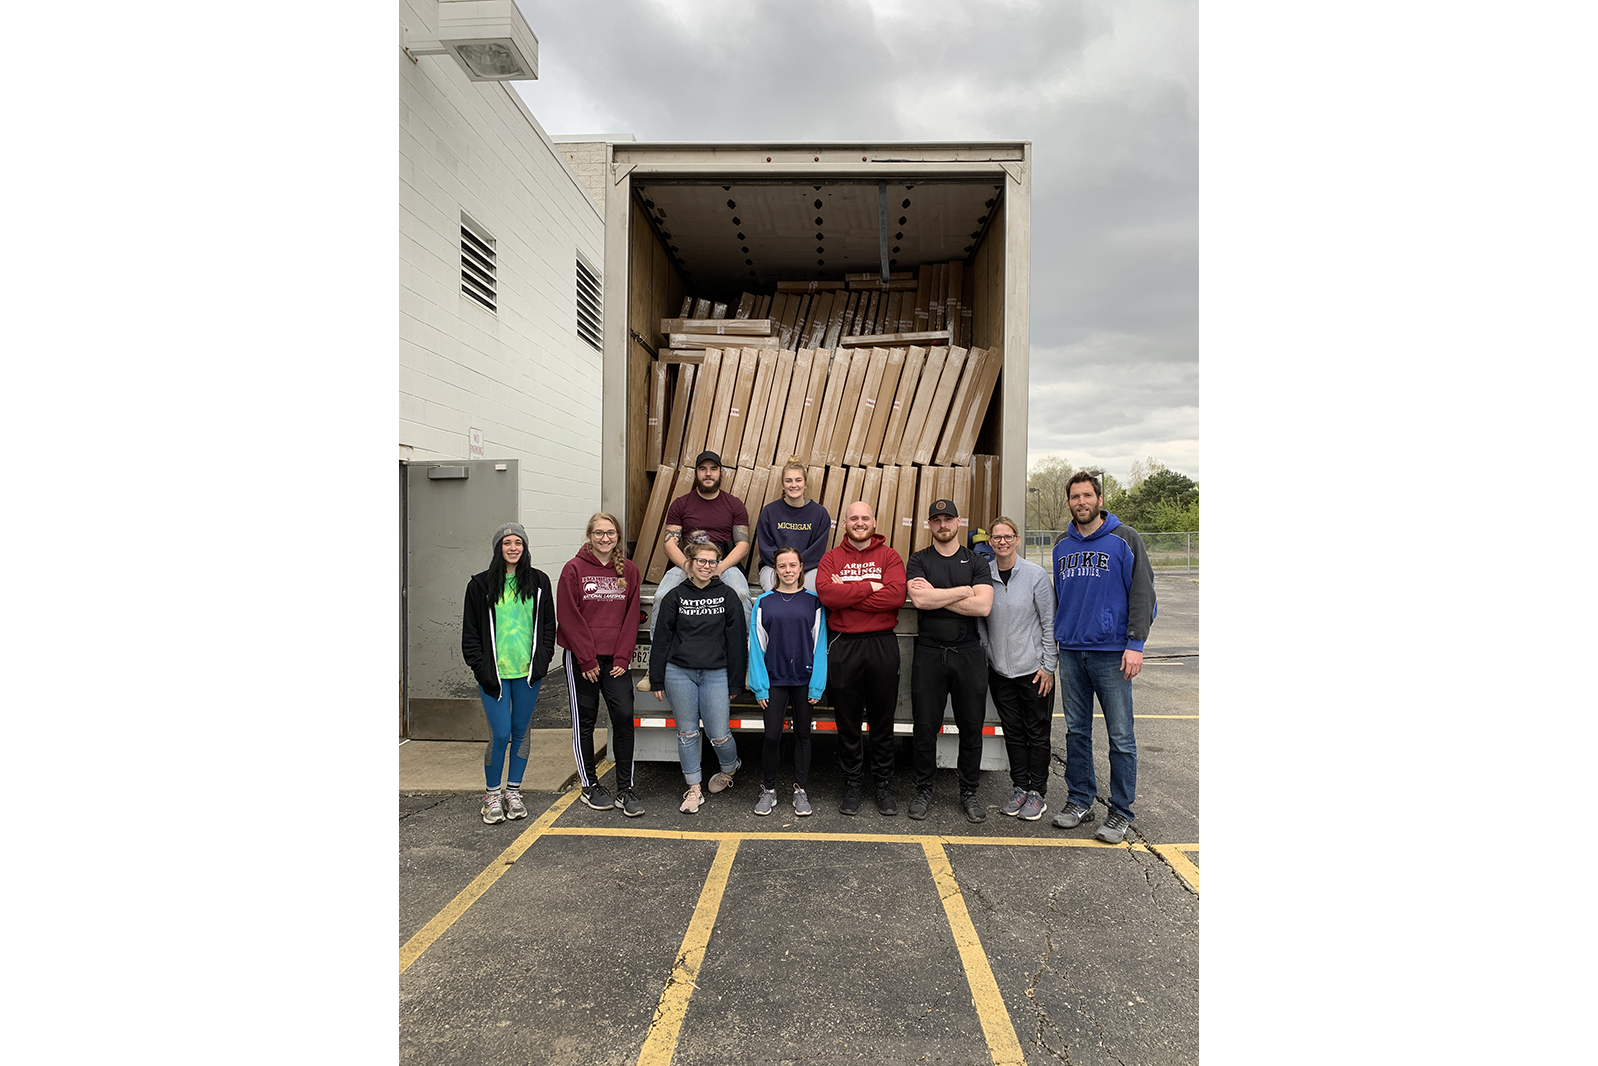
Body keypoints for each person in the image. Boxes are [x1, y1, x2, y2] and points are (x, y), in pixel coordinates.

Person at [1048, 471, 1157, 844]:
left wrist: (1135, 644)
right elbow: (1061, 597)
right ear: (1068, 502)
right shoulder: (1061, 545)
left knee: (1121, 737)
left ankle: (1121, 812)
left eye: (1087, 496)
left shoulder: (1125, 539)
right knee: (1076, 732)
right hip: (1072, 653)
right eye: (1075, 497)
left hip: (1112, 654)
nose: (1081, 502)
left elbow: (1144, 595)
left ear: (1098, 499)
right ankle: (1080, 800)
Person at [460, 522, 556, 825]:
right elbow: (471, 632)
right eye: (507, 543)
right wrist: (480, 666)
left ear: (525, 547)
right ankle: (492, 795)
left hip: (527, 673)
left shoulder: (539, 582)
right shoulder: (479, 585)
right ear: (497, 548)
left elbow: (548, 627)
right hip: (495, 675)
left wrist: (542, 660)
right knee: (500, 734)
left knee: (521, 732)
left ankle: (513, 792)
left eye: (518, 542)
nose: (513, 548)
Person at [816, 500, 907, 817]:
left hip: (882, 644)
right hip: (844, 645)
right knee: (848, 723)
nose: (859, 522)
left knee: (883, 722)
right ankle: (852, 784)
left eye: (864, 518)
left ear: (874, 522)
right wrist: (870, 585)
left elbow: (895, 595)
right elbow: (828, 595)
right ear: (844, 523)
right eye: (853, 518)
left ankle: (883, 786)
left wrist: (849, 596)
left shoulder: (889, 555)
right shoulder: (831, 558)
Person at [905, 499, 994, 823]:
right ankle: (923, 789)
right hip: (929, 653)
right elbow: (919, 599)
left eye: (948, 519)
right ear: (929, 524)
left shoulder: (976, 561)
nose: (942, 525)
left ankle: (969, 792)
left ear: (959, 521)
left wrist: (939, 596)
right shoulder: (919, 560)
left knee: (971, 727)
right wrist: (963, 591)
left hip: (968, 654)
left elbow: (983, 607)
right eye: (936, 520)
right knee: (925, 727)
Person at [649, 535, 748, 814]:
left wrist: (735, 680)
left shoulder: (728, 596)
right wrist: (657, 677)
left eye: (712, 561)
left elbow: (737, 641)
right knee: (687, 733)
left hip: (716, 673)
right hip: (679, 672)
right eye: (701, 561)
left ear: (718, 565)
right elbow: (662, 640)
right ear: (689, 563)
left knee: (719, 734)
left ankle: (730, 768)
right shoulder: (674, 596)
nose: (706, 566)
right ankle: (694, 788)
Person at [557, 512, 645, 817]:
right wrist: (586, 658)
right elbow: (568, 617)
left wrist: (622, 657)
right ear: (589, 536)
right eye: (598, 533)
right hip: (583, 660)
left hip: (615, 661)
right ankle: (590, 785)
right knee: (586, 721)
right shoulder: (573, 569)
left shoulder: (630, 571)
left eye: (610, 533)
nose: (605, 538)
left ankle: (625, 789)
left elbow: (631, 617)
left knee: (623, 717)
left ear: (618, 537)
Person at [976, 516, 1057, 822]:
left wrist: (1048, 666)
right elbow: (981, 621)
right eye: (996, 538)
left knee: (1037, 733)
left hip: (1034, 671)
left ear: (1017, 539)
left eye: (1008, 537)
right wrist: (988, 654)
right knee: (1012, 732)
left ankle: (1038, 792)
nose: (1002, 542)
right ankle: (1019, 787)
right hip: (1001, 673)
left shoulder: (1035, 575)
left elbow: (1049, 624)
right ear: (990, 543)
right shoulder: (986, 576)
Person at [748, 546, 828, 816]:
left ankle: (800, 790)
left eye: (793, 565)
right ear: (775, 570)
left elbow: (820, 645)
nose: (788, 571)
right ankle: (768, 790)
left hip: (804, 681)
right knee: (771, 736)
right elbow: (756, 647)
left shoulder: (814, 602)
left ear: (801, 567)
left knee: (802, 735)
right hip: (774, 682)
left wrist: (817, 684)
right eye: (782, 566)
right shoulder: (764, 602)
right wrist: (759, 685)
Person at [653, 451, 752, 638]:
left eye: (713, 469)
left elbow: (743, 545)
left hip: (723, 563)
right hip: (689, 561)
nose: (708, 474)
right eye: (703, 469)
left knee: (741, 595)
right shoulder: (680, 504)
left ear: (720, 473)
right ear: (696, 473)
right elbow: (670, 544)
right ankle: (656, 660)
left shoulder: (735, 504)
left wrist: (720, 568)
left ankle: (744, 654)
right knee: (661, 597)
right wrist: (687, 567)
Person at [754, 458, 831, 593]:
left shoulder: (820, 513)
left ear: (805, 484)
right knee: (776, 595)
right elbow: (766, 548)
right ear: (783, 485)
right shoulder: (769, 512)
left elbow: (817, 551)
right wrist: (784, 567)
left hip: (808, 568)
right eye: (788, 481)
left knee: (809, 595)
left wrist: (796, 568)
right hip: (774, 567)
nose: (793, 485)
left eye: (798, 480)